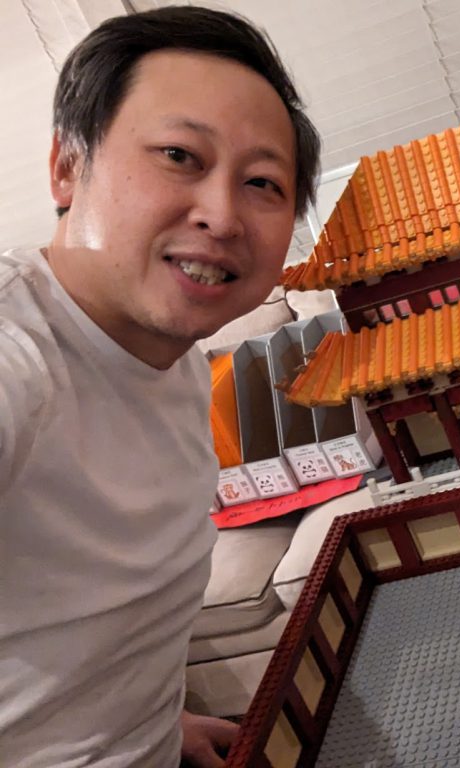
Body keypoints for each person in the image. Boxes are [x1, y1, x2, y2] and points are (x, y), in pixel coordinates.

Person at [0, 7, 320, 767]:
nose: (222, 215)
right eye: (179, 155)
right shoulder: (19, 359)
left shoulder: (174, 358)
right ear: (68, 166)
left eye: (262, 182)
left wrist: (161, 725)